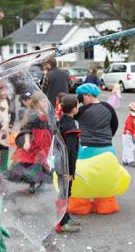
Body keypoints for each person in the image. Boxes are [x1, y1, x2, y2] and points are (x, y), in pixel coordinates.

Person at [72, 83, 120, 214]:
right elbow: (115, 124)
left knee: (83, 178)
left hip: (87, 149)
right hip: (108, 150)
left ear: (87, 95)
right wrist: (107, 138)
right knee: (104, 178)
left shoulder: (81, 111)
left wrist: (76, 102)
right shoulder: (108, 107)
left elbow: (70, 113)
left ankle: (80, 204)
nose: (81, 100)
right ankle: (106, 203)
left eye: (81, 97)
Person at [8, 91, 53, 194]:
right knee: (33, 163)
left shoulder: (45, 113)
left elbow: (49, 127)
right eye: (43, 102)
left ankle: (40, 179)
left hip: (44, 142)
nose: (45, 103)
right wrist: (27, 142)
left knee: (42, 162)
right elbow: (26, 129)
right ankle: (32, 183)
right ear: (36, 103)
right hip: (35, 141)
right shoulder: (33, 115)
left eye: (46, 101)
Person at [55, 94, 82, 233]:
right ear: (73, 109)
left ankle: (65, 217)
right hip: (65, 165)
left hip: (59, 161)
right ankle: (61, 222)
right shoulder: (71, 126)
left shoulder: (61, 120)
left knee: (64, 191)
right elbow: (72, 152)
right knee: (65, 193)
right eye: (78, 104)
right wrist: (71, 172)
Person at [122, 102, 135, 168]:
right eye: (132, 110)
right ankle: (130, 160)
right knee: (130, 147)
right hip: (128, 135)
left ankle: (125, 160)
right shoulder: (129, 119)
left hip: (131, 135)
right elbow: (129, 129)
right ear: (129, 110)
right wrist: (133, 135)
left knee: (127, 147)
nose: (134, 111)